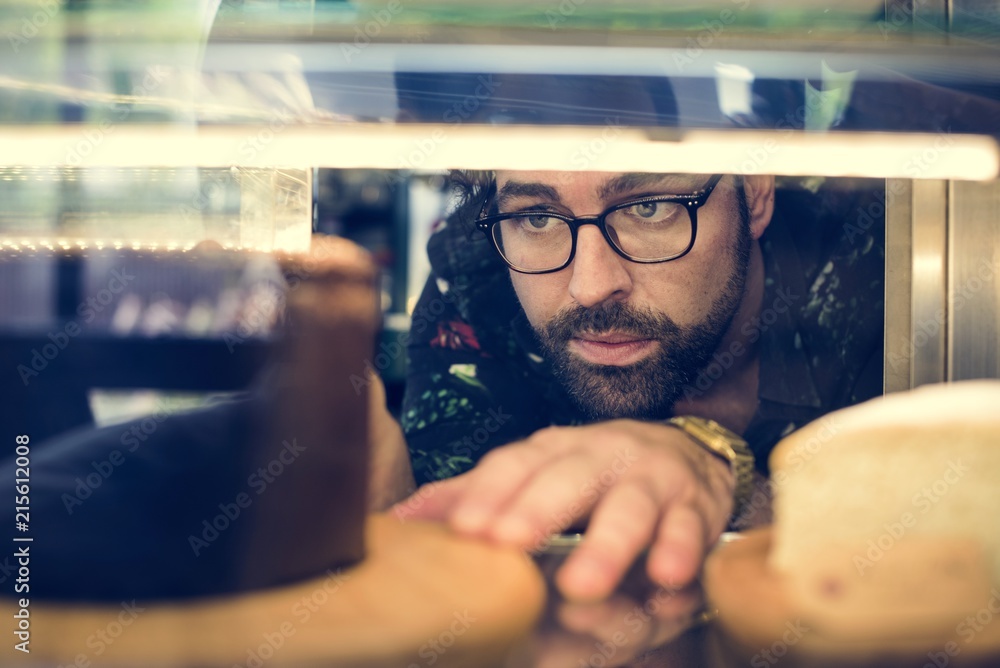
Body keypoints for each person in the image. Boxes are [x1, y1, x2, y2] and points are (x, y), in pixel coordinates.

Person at [394, 166, 884, 602]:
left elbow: (928, 556)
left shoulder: (886, 275)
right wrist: (383, 491)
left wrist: (732, 483)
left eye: (648, 208)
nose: (590, 286)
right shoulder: (478, 270)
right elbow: (443, 565)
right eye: (538, 218)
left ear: (754, 192)